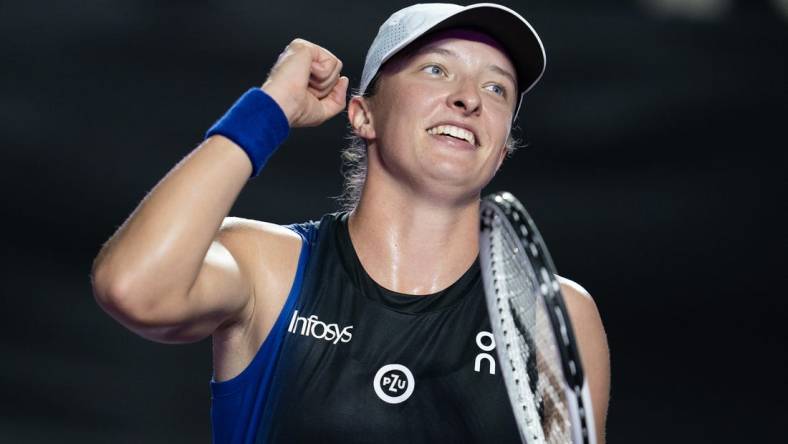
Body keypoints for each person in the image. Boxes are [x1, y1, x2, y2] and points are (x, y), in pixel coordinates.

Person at [91, 3, 610, 443]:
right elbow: (132, 286)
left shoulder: (552, 314)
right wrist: (270, 108)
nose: (470, 98)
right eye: (436, 69)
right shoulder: (268, 266)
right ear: (363, 115)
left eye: (498, 89)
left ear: (500, 152)